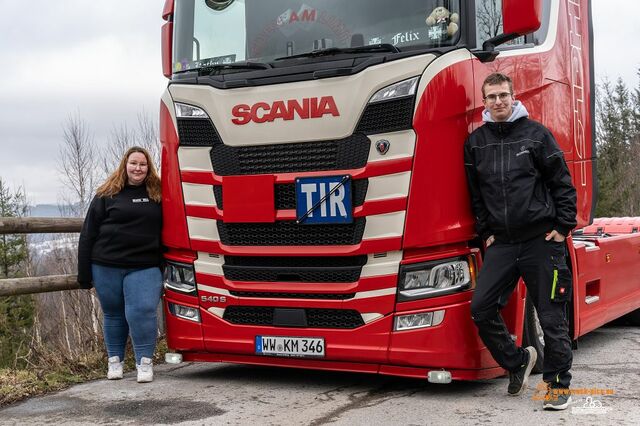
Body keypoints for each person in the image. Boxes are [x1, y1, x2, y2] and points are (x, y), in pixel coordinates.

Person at [464, 73, 577, 410]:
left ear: (513, 97)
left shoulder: (537, 134)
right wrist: (487, 231)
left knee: (551, 316)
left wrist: (563, 226)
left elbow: (561, 182)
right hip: (503, 243)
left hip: (541, 240)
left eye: (503, 95)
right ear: (484, 101)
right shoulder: (475, 143)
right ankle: (516, 362)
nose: (498, 101)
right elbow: (476, 194)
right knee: (481, 308)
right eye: (492, 96)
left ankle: (557, 386)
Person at [77, 147, 163, 383]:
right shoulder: (107, 193)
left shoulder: (158, 193)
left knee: (142, 311)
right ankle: (115, 361)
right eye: (133, 163)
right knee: (114, 313)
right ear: (125, 165)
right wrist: (84, 275)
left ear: (149, 167)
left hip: (145, 265)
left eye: (143, 164)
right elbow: (88, 234)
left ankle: (144, 362)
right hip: (106, 265)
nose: (138, 168)